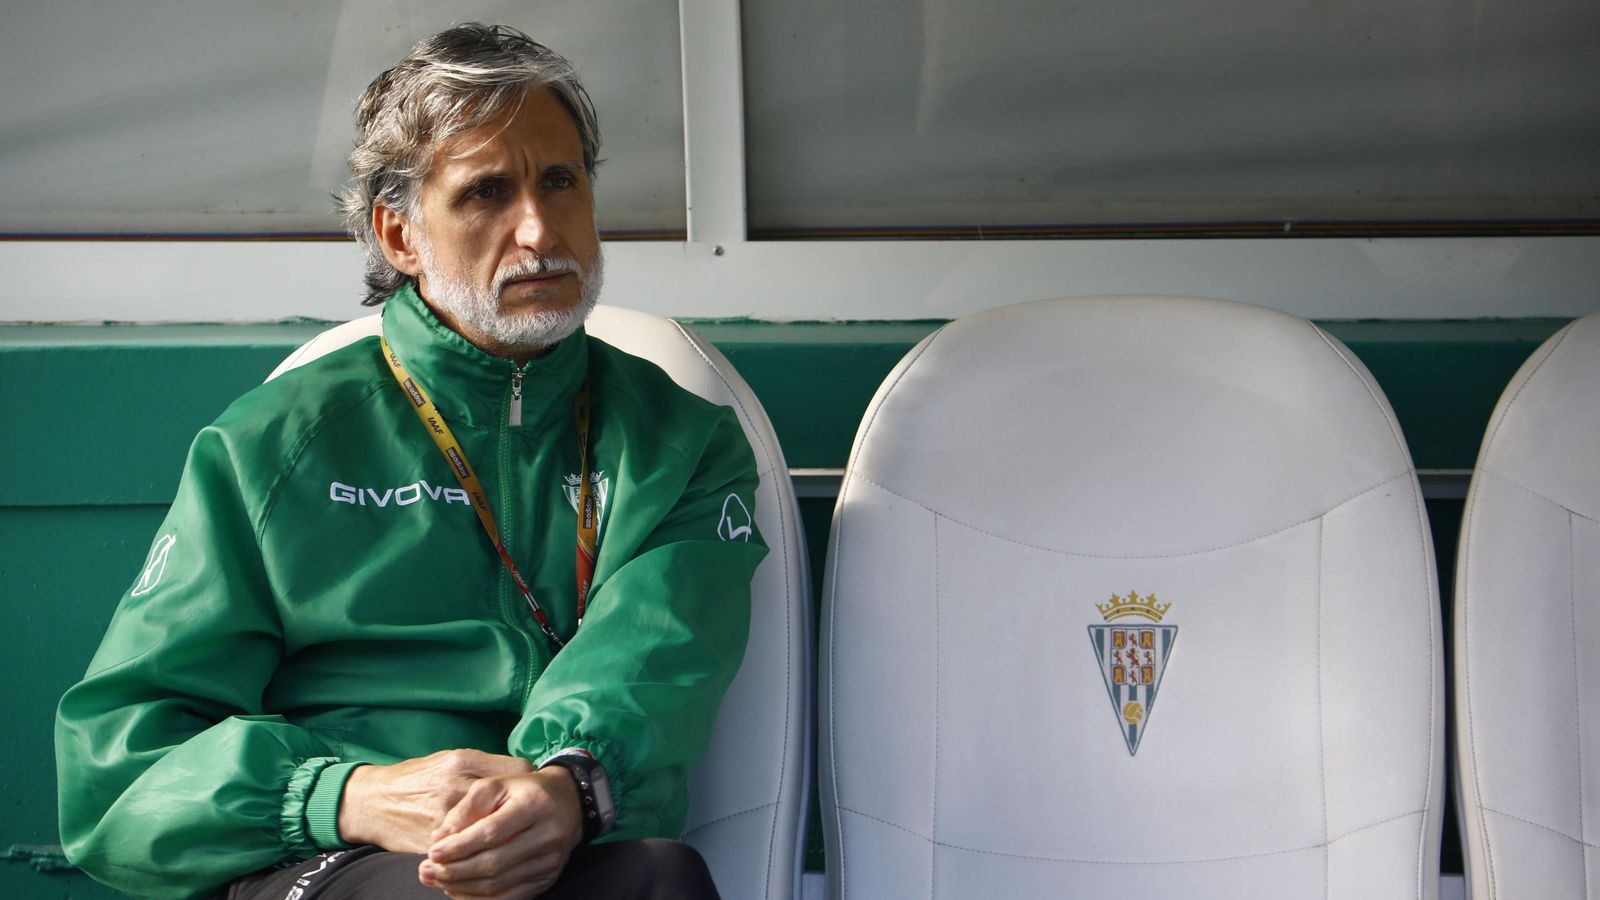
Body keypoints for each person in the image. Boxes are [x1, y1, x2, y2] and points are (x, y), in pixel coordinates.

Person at [55, 23, 766, 900]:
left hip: (561, 841)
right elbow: (117, 769)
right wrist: (345, 795)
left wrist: (567, 788)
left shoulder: (681, 441)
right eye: (486, 194)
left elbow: (652, 658)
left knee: (660, 877)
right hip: (324, 853)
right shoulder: (272, 445)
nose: (539, 228)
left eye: (560, 181)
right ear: (400, 236)